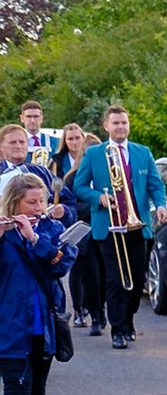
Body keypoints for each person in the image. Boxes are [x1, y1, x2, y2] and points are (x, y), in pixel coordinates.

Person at [68, 106, 167, 349]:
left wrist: (161, 206)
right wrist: (98, 198)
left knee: (135, 278)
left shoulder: (142, 152)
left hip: (138, 223)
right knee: (115, 279)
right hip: (108, 225)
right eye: (115, 123)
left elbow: (155, 185)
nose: (120, 127)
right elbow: (79, 186)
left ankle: (128, 319)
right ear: (106, 126)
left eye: (124, 122)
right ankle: (117, 330)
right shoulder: (94, 154)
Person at [0, 171, 75, 395]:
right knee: (17, 385)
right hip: (9, 321)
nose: (37, 207)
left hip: (43, 321)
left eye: (41, 201)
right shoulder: (4, 233)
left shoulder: (54, 229)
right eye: (30, 202)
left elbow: (62, 263)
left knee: (38, 388)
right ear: (14, 203)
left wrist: (34, 238)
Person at [56, 127, 103, 333]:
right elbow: (71, 205)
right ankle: (81, 311)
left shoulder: (104, 176)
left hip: (102, 229)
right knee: (82, 272)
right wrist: (96, 204)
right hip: (81, 229)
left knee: (100, 274)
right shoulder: (72, 177)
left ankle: (98, 312)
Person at [0, 126, 67, 223]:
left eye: (22, 142)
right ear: (1, 146)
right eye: (13, 142)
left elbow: (67, 200)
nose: (18, 146)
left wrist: (63, 211)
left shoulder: (41, 172)